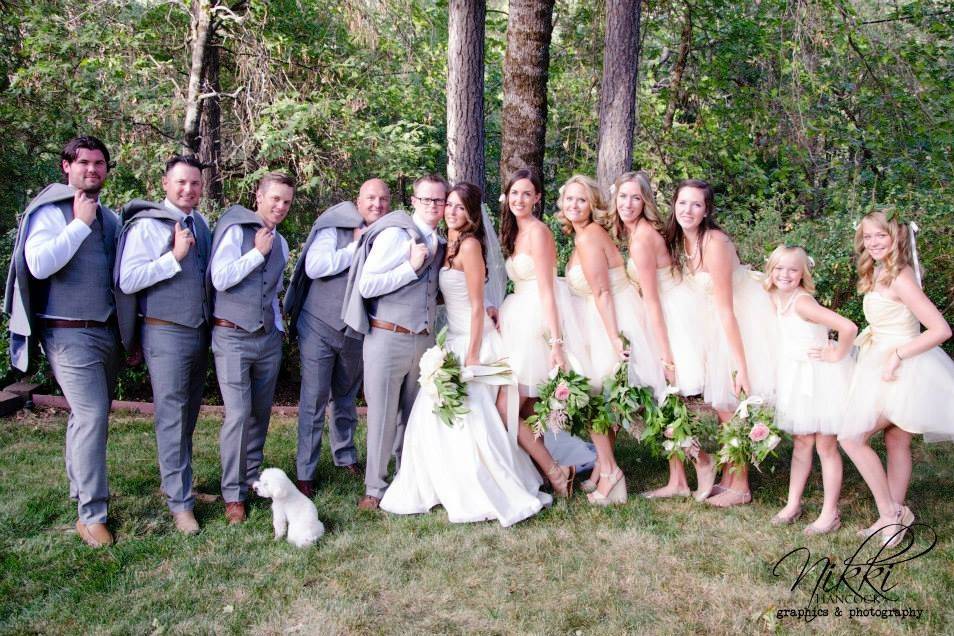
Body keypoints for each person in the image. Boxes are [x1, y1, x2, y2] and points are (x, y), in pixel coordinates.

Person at [380, 182, 552, 526]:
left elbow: (475, 307)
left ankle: (484, 486)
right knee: (434, 414)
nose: (452, 212)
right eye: (450, 205)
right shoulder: (447, 246)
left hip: (475, 342)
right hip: (454, 339)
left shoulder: (470, 246)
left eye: (460, 207)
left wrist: (472, 356)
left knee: (470, 415)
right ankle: (440, 484)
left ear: (472, 214)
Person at [5, 136, 121, 547]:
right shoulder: (51, 212)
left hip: (105, 332)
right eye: (84, 162)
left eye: (99, 163)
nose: (92, 170)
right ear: (65, 167)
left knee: (86, 415)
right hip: (68, 333)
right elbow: (37, 265)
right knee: (92, 416)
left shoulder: (110, 217)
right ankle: (91, 515)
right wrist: (78, 224)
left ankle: (79, 490)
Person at [839, 209, 953, 548]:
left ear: (896, 237)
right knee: (895, 441)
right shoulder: (877, 271)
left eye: (881, 236)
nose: (873, 242)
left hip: (904, 364)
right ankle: (893, 521)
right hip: (878, 359)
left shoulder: (901, 276)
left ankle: (890, 512)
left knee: (852, 437)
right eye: (868, 236)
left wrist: (898, 356)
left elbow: (940, 329)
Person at [115, 155, 212, 535]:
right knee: (172, 416)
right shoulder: (150, 226)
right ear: (165, 184)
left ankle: (176, 483)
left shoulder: (199, 223)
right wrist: (174, 257)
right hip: (165, 330)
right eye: (181, 183)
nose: (189, 189)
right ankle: (180, 503)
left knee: (188, 414)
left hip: (197, 330)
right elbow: (128, 279)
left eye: (195, 183)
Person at [665, 179, 777, 507]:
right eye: (682, 203)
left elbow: (726, 309)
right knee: (721, 406)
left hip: (738, 321)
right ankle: (728, 477)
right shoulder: (682, 242)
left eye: (696, 204)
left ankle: (741, 487)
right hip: (713, 322)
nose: (688, 210)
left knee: (731, 404)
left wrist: (740, 365)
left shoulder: (714, 243)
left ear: (707, 210)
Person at [342, 174, 447, 511]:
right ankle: (374, 487)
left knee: (414, 416)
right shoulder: (394, 235)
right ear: (413, 201)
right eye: (426, 199)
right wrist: (411, 266)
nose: (433, 205)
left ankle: (406, 480)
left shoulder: (441, 241)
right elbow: (366, 286)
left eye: (439, 200)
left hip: (424, 341)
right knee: (383, 416)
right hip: (387, 337)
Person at [559, 175, 664, 505]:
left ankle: (611, 475)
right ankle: (603, 471)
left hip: (611, 319)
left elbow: (603, 292)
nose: (575, 205)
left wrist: (615, 339)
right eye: (570, 199)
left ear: (593, 205)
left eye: (582, 200)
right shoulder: (586, 235)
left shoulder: (588, 238)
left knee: (595, 401)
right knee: (602, 402)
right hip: (601, 317)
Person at [612, 171, 715, 500]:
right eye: (622, 197)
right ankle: (677, 481)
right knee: (663, 400)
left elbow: (653, 300)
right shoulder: (635, 233)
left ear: (645, 201)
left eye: (635, 198)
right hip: (661, 312)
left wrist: (665, 353)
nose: (627, 204)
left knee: (666, 396)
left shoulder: (642, 239)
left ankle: (702, 460)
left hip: (669, 317)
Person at [285, 179, 390, 498]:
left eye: (384, 199)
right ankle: (306, 470)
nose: (377, 204)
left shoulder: (388, 235)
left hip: (356, 328)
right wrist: (354, 248)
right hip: (319, 323)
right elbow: (316, 266)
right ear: (358, 201)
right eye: (370, 198)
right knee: (314, 398)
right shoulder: (336, 226)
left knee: (345, 396)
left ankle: (344, 456)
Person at [496, 168, 589, 497]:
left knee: (506, 406)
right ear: (507, 197)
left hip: (535, 322)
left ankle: (555, 472)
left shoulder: (538, 232)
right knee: (526, 410)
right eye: (514, 193)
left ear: (537, 198)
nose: (519, 199)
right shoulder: (515, 231)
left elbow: (548, 290)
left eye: (526, 193)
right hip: (516, 314)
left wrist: (556, 342)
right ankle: (545, 472)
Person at [208, 171, 293, 524]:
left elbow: (272, 292)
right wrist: (257, 254)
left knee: (260, 413)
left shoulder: (283, 243)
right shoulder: (234, 230)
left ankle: (251, 479)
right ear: (258, 196)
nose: (280, 206)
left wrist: (277, 327)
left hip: (267, 338)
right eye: (275, 198)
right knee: (239, 414)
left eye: (287, 202)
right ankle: (232, 494)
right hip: (231, 335)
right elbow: (220, 278)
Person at [763, 245, 856, 535]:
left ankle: (829, 513)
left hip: (820, 376)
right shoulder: (775, 296)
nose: (785, 274)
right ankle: (793, 504)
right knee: (802, 442)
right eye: (779, 268)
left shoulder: (803, 303)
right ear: (771, 270)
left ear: (803, 273)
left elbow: (848, 328)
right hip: (796, 376)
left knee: (825, 445)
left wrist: (837, 354)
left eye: (793, 269)